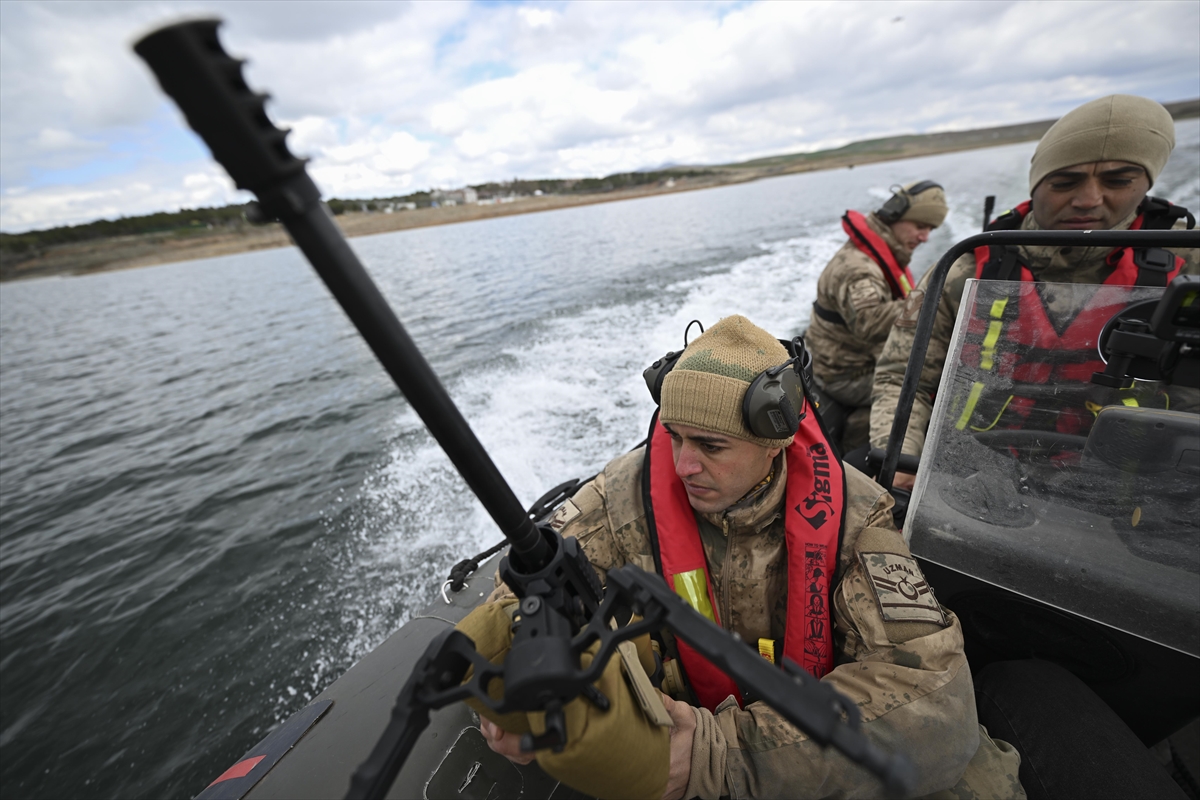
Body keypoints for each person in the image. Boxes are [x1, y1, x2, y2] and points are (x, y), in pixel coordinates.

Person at [467, 315, 1023, 799]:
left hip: (780, 747)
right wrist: (518, 696)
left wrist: (724, 754)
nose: (682, 465)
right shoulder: (620, 498)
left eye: (711, 446)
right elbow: (518, 598)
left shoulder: (855, 516)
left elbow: (936, 705)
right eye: (674, 436)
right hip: (673, 735)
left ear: (774, 441)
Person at [869, 94, 1198, 490]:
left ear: (1145, 184)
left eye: (1118, 181)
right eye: (1064, 182)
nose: (1088, 199)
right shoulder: (966, 266)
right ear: (1037, 182)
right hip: (969, 476)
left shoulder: (1189, 267)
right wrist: (902, 460)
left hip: (1125, 487)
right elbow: (903, 380)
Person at [805, 181, 948, 453]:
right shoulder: (858, 269)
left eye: (930, 229)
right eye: (920, 226)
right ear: (895, 217)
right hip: (845, 375)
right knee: (933, 384)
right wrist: (933, 301)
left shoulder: (876, 254)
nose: (925, 237)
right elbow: (869, 323)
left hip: (853, 361)